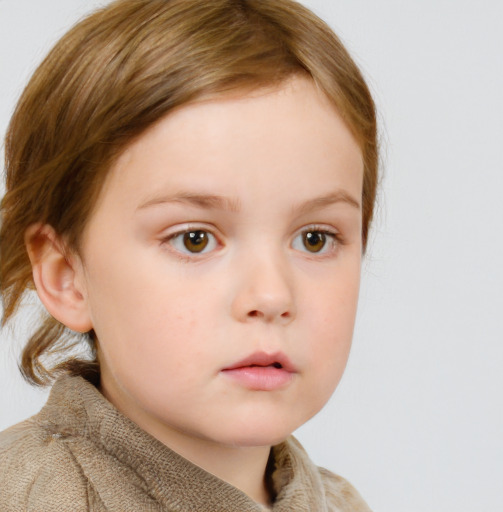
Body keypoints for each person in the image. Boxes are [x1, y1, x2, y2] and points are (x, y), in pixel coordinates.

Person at [0, 0, 378, 510]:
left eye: (315, 238)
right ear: (66, 275)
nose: (270, 295)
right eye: (194, 239)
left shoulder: (340, 502)